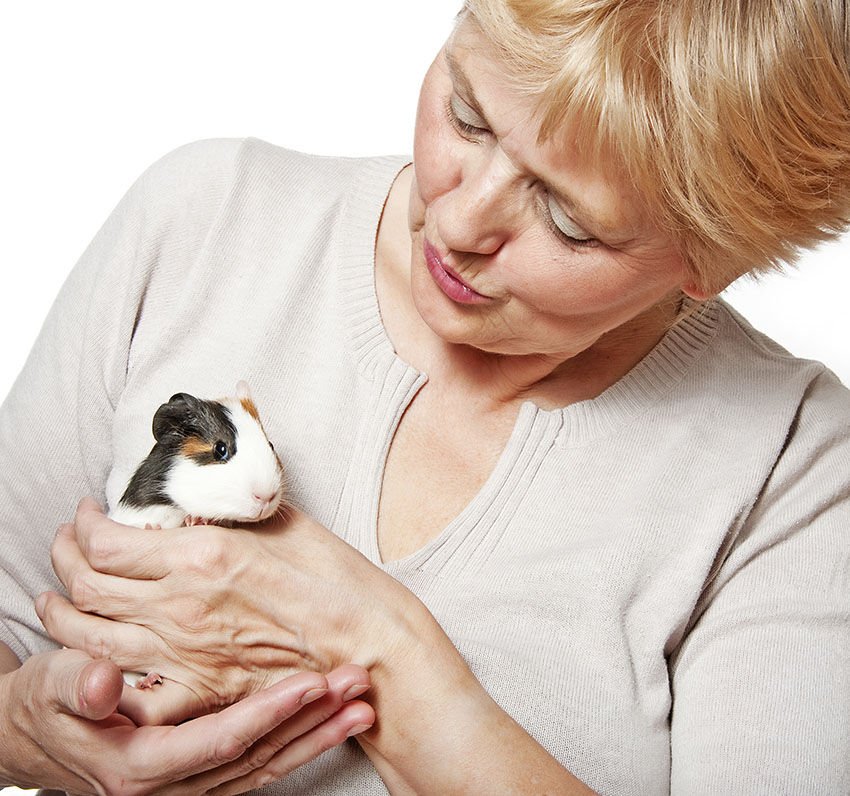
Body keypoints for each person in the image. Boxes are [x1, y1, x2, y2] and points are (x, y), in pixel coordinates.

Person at [1, 0, 848, 793]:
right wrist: (19, 730)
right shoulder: (207, 220)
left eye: (568, 219)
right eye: (467, 114)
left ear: (712, 259)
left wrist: (375, 646)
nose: (458, 223)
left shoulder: (792, 471)